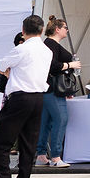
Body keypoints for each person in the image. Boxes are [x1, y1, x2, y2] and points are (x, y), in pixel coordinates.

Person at [0, 14, 53, 178]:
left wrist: (9, 72)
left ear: (23, 31)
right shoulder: (47, 51)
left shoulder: (21, 49)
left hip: (20, 97)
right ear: (41, 31)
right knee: (28, 145)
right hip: (38, 98)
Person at [36, 17, 80, 167]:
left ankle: (41, 155)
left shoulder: (49, 44)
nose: (67, 30)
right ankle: (55, 156)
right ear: (57, 29)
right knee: (61, 119)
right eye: (65, 28)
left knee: (46, 122)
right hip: (53, 89)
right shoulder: (51, 44)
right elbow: (52, 66)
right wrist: (70, 64)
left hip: (49, 88)